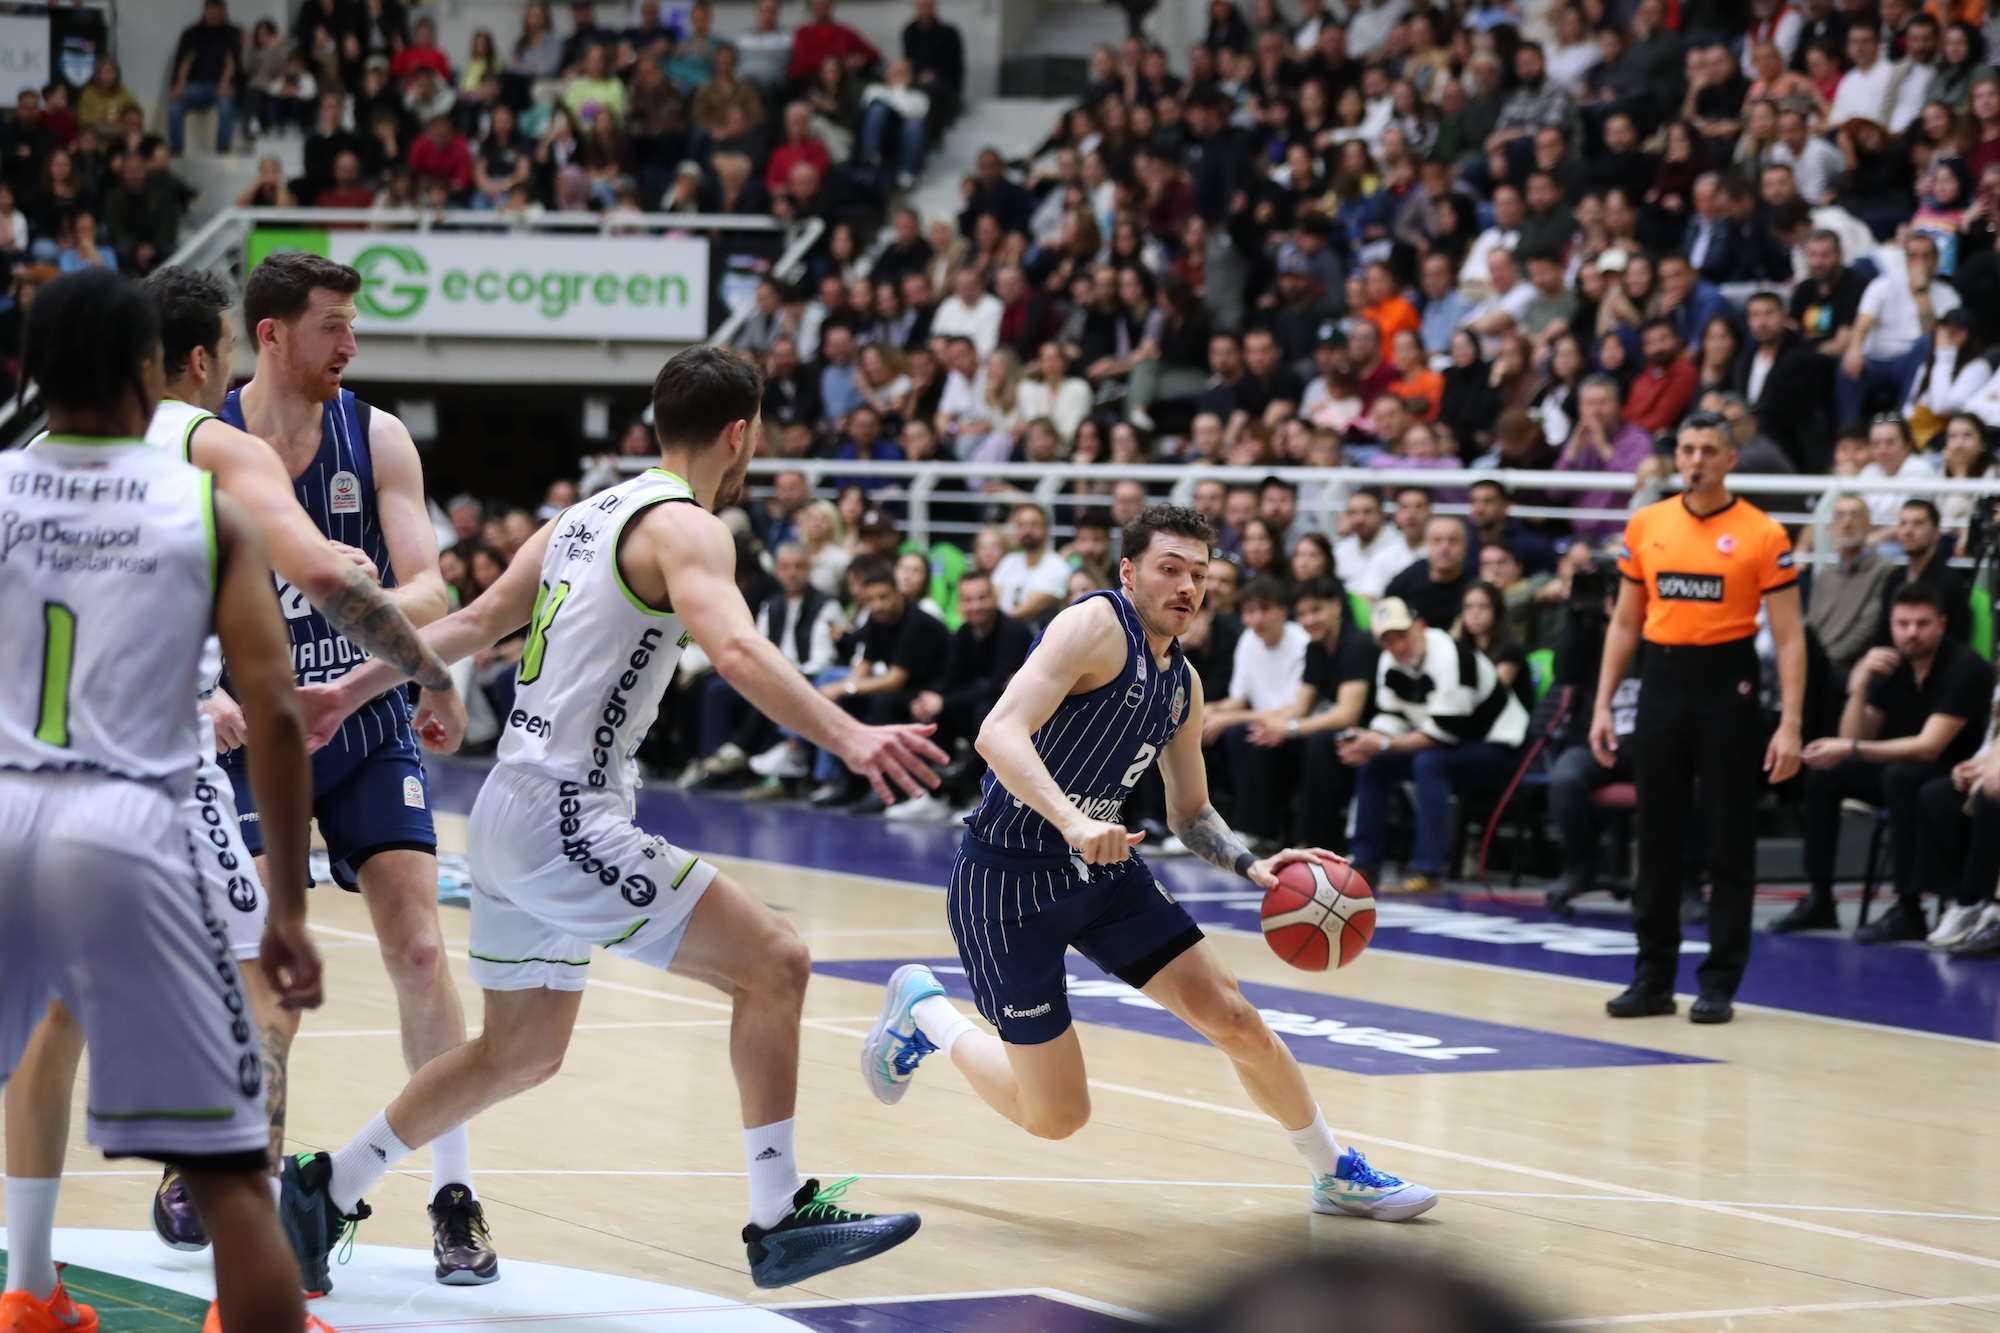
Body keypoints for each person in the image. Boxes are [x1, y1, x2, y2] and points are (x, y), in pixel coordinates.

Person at [290, 348, 942, 1291]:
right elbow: (738, 650)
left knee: (520, 1052)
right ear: (741, 433)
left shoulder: (585, 514)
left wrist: (346, 692)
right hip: (566, 811)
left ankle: (325, 1187)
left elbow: (472, 622)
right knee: (777, 963)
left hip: (513, 807)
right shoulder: (690, 529)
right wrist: (849, 736)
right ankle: (778, 1214)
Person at [0, 265, 458, 1306]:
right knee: (239, 1098)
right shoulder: (205, 465)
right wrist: (431, 667)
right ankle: (243, 1307)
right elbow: (314, 628)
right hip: (137, 808)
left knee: (45, 1028)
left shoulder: (9, 476)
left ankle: (27, 1290)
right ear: (187, 362)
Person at [856, 505, 1438, 1223]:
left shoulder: (1183, 686)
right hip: (1006, 882)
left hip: (1105, 874)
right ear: (1129, 571)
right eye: (1170, 568)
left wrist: (1253, 864)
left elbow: (1189, 812)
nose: (1187, 586)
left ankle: (1332, 1172)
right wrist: (1070, 820)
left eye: (1199, 573)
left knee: (1236, 1018)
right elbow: (996, 731)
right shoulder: (1093, 625)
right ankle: (929, 1012)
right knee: (1057, 1115)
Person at [0, 269, 322, 1333]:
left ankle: (29, 1292)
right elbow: (274, 712)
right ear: (154, 368)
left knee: (43, 1036)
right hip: (125, 830)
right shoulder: (200, 501)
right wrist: (287, 909)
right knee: (228, 1175)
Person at [216, 252, 493, 1288]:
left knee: (421, 951)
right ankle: (217, 1155)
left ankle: (452, 1194)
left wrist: (384, 664)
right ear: (273, 333)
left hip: (361, 716)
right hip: (249, 731)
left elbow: (429, 589)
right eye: (333, 325)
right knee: (246, 971)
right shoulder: (209, 441)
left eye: (353, 324)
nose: (351, 344)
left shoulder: (373, 434)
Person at [1591, 410, 1805, 1026]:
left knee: (1727, 842)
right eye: (1687, 448)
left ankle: (1719, 983)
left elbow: (1790, 639)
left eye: (1710, 449)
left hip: (1727, 687)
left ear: (1731, 459)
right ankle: (1652, 978)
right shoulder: (1647, 523)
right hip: (1660, 683)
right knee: (1655, 839)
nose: (1696, 460)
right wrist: (1604, 703)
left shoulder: (1764, 533)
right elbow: (1626, 622)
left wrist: (1790, 723)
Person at [1782, 582, 1992, 940]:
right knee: (1825, 775)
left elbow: (1929, 747)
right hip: (1903, 768)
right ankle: (1820, 897)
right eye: (1903, 624)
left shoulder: (1965, 667)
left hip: (1952, 770)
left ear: (1941, 624)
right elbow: (1856, 736)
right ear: (1891, 625)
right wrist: (1859, 686)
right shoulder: (1891, 665)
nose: (1912, 633)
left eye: (1922, 624)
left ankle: (1908, 907)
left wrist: (1850, 749)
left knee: (1901, 776)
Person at [1341, 597, 1531, 894]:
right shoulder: (1389, 663)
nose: (1398, 646)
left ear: (1420, 626)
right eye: (1388, 641)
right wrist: (1368, 741)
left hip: (1499, 747)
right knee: (1374, 760)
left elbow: (1444, 735)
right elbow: (1392, 718)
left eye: (1402, 635)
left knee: (1428, 762)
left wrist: (1384, 742)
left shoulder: (1451, 656)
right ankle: (1365, 864)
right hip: (1446, 746)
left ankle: (1429, 871)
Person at [895, 569, 1036, 818]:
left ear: (994, 598)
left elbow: (996, 688)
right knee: (929, 714)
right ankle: (938, 794)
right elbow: (950, 678)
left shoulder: (1014, 632)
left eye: (982, 598)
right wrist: (930, 699)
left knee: (985, 714)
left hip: (1016, 715)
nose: (976, 606)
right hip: (975, 705)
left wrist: (944, 701)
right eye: (969, 600)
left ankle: (979, 796)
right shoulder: (963, 633)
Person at [1258, 578, 1377, 853]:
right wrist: (1273, 724)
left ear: (1335, 606)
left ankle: (1313, 840)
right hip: (1331, 729)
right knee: (1258, 736)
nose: (1309, 620)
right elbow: (1302, 705)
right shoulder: (1315, 648)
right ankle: (1259, 833)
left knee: (1320, 742)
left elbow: (1349, 714)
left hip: (1365, 732)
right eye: (1302, 614)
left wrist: (1291, 728)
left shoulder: (1357, 645)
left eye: (1316, 610)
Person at [1807, 494, 1896, 687]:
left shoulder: (1884, 570)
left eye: (1855, 515)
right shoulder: (1825, 575)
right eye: (1840, 516)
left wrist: (1821, 661)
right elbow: (1812, 626)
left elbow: (1866, 630)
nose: (1847, 523)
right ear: (1831, 527)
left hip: (1852, 666)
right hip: (1820, 663)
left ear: (1869, 526)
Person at [169, 0, 243, 156]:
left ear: (224, 12)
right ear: (204, 12)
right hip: (196, 85)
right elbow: (183, 61)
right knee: (175, 106)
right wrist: (178, 84)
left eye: (217, 12)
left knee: (226, 106)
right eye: (210, 11)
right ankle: (176, 151)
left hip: (222, 84)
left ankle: (222, 150)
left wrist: (226, 83)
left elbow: (234, 63)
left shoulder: (234, 33)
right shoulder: (191, 34)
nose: (214, 15)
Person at [1382, 516, 1472, 628]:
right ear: (1426, 544)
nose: (1444, 547)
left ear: (1465, 545)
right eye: (1436, 540)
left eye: (1452, 540)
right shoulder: (1406, 580)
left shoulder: (1475, 582)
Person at [991, 502, 1073, 621]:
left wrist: (997, 624)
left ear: (1047, 530)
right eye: (1021, 525)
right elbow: (993, 596)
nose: (1027, 530)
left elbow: (1028, 610)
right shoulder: (1008, 561)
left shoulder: (1057, 566)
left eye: (1034, 524)